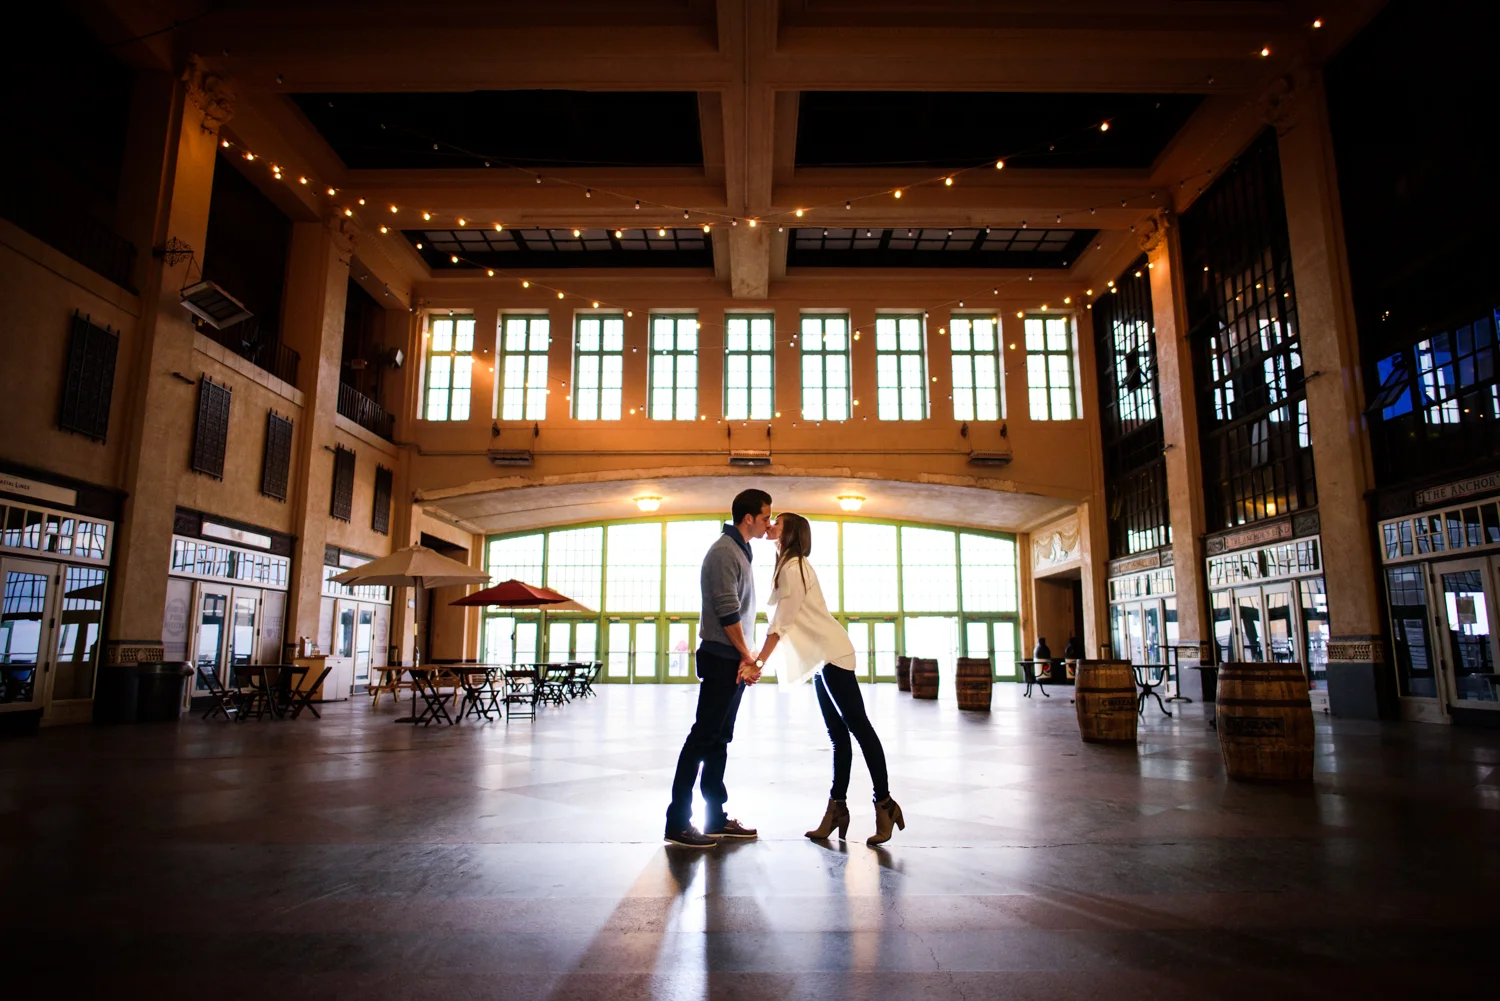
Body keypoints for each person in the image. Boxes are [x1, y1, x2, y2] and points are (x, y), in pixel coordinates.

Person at [752, 513, 904, 847]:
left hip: (834, 655)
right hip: (824, 659)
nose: (771, 525)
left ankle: (885, 804)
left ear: (790, 533)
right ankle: (837, 809)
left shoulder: (794, 568)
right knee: (839, 737)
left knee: (859, 729)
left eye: (777, 522)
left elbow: (781, 623)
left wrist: (757, 662)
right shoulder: (788, 566)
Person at [663, 488, 772, 848]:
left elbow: (736, 611)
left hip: (732, 659)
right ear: (748, 518)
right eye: (766, 517)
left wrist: (745, 656)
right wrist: (748, 656)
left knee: (719, 739)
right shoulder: (724, 552)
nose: (768, 523)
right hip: (723, 657)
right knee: (702, 739)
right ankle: (678, 822)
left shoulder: (740, 551)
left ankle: (715, 818)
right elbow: (727, 613)